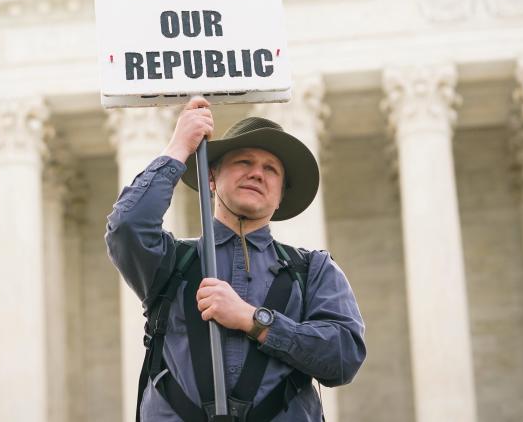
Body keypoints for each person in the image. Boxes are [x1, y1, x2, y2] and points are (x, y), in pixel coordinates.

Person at [106, 97, 366, 421]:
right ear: (211, 178)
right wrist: (178, 147)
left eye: (270, 169)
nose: (257, 173)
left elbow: (343, 357)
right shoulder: (171, 261)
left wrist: (254, 320)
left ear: (280, 194)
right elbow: (126, 228)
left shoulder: (313, 271)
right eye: (244, 162)